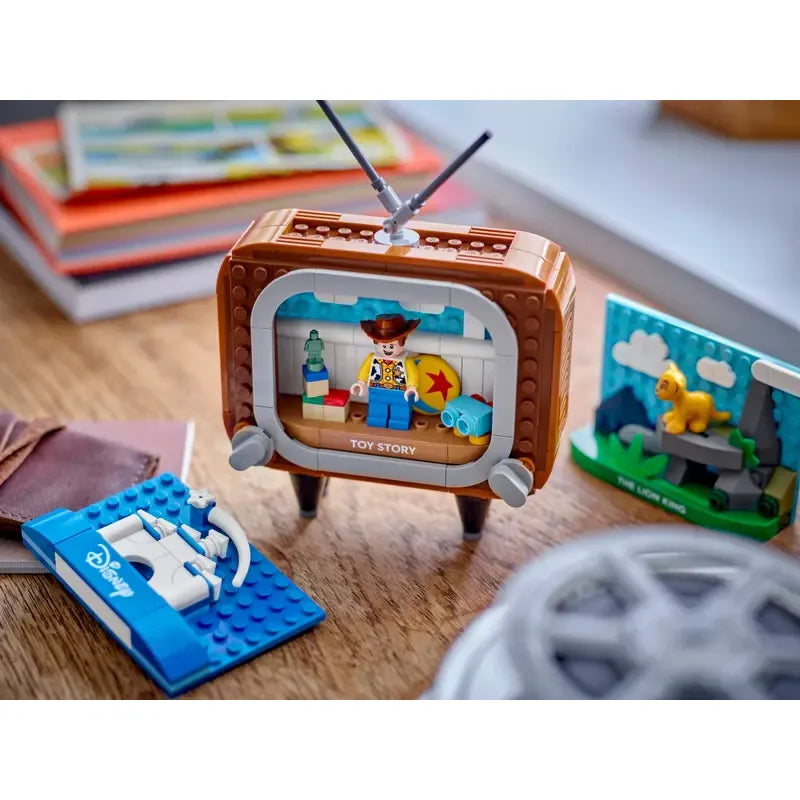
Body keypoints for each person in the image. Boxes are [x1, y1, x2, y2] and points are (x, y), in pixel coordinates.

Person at [350, 313, 421, 430]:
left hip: (400, 392)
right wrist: (361, 383)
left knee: (400, 409)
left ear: (403, 341)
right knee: (377, 407)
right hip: (377, 390)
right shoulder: (371, 358)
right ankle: (377, 419)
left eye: (392, 346)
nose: (387, 349)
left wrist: (412, 387)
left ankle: (399, 421)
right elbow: (365, 370)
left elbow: (413, 374)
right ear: (376, 343)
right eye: (384, 346)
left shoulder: (407, 361)